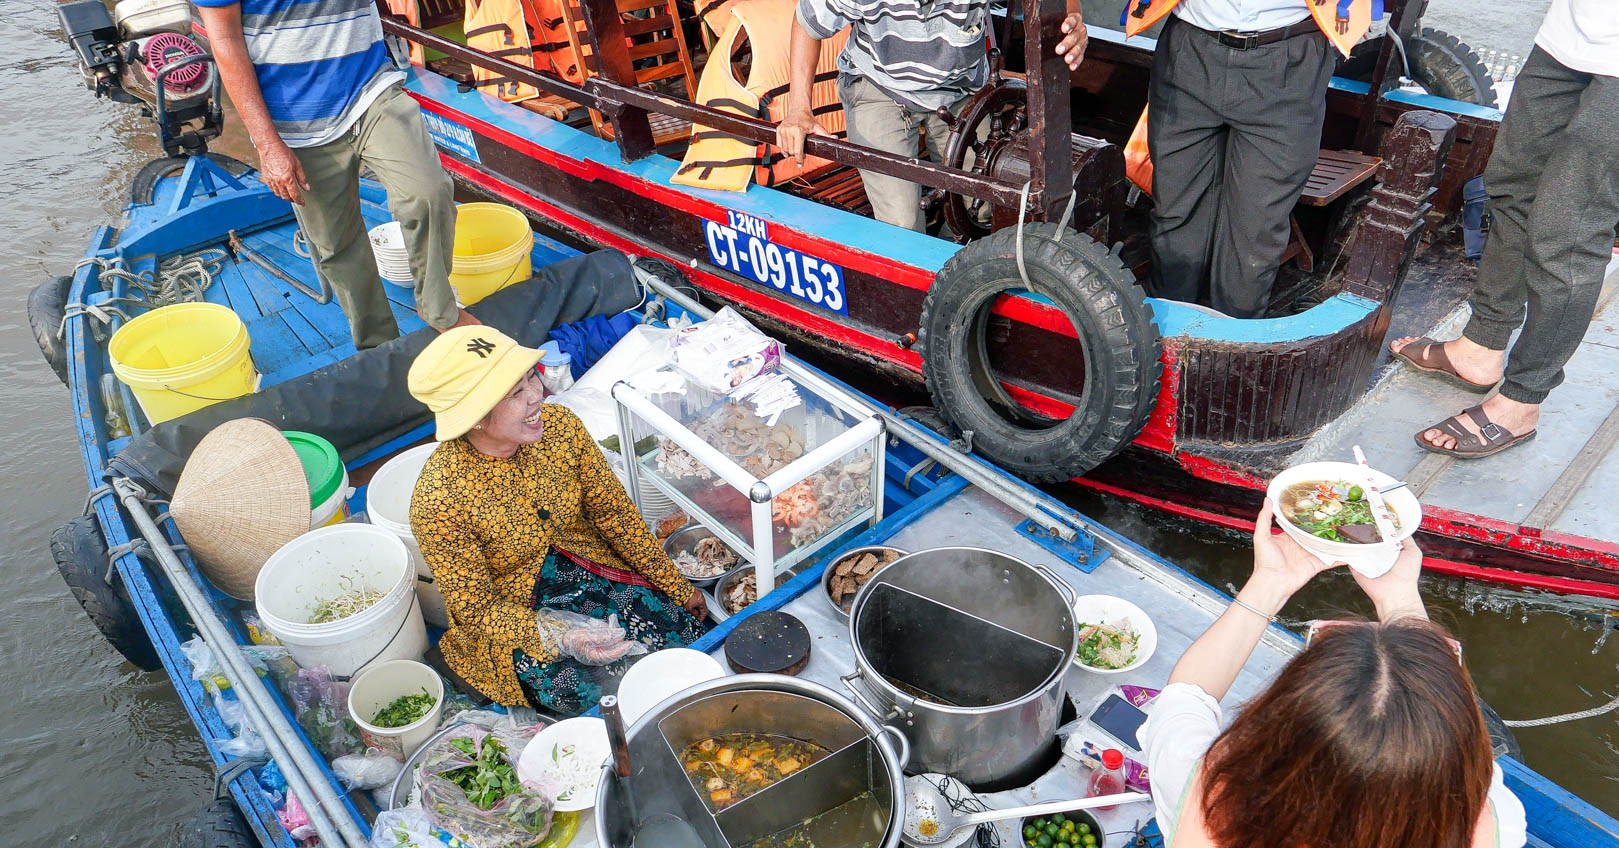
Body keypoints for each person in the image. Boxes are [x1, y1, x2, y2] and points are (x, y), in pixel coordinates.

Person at [1139, 502, 1527, 848]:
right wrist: (1399, 599)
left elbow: (1187, 695)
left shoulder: (1204, 794)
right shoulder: (1496, 826)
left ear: (1277, 726)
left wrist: (1270, 583)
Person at [407, 326, 707, 713]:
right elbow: (477, 609)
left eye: (531, 376)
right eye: (515, 393)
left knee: (677, 638)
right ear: (475, 418)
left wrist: (678, 586)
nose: (537, 395)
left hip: (588, 562)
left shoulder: (561, 428)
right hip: (516, 610)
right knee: (596, 690)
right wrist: (558, 635)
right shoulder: (439, 500)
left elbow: (616, 516)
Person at [1390, 0, 1618, 459]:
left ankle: (1522, 401)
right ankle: (1481, 345)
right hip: (1569, 35)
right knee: (1511, 190)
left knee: (1570, 233)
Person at [194, 0, 479, 350]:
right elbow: (226, 44)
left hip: (370, 89)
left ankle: (438, 310)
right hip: (294, 122)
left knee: (428, 192)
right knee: (336, 243)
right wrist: (269, 145)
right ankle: (377, 344)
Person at [776, 0, 1091, 231]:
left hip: (960, 88)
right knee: (901, 225)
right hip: (878, 85)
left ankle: (955, 273)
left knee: (988, 209)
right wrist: (799, 110)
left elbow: (1058, 5)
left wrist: (1073, 19)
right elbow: (807, 23)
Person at [1143, 0, 1341, 318]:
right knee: (1174, 211)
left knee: (1256, 233)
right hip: (1189, 48)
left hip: (1289, 55)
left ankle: (1232, 350)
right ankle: (1165, 334)